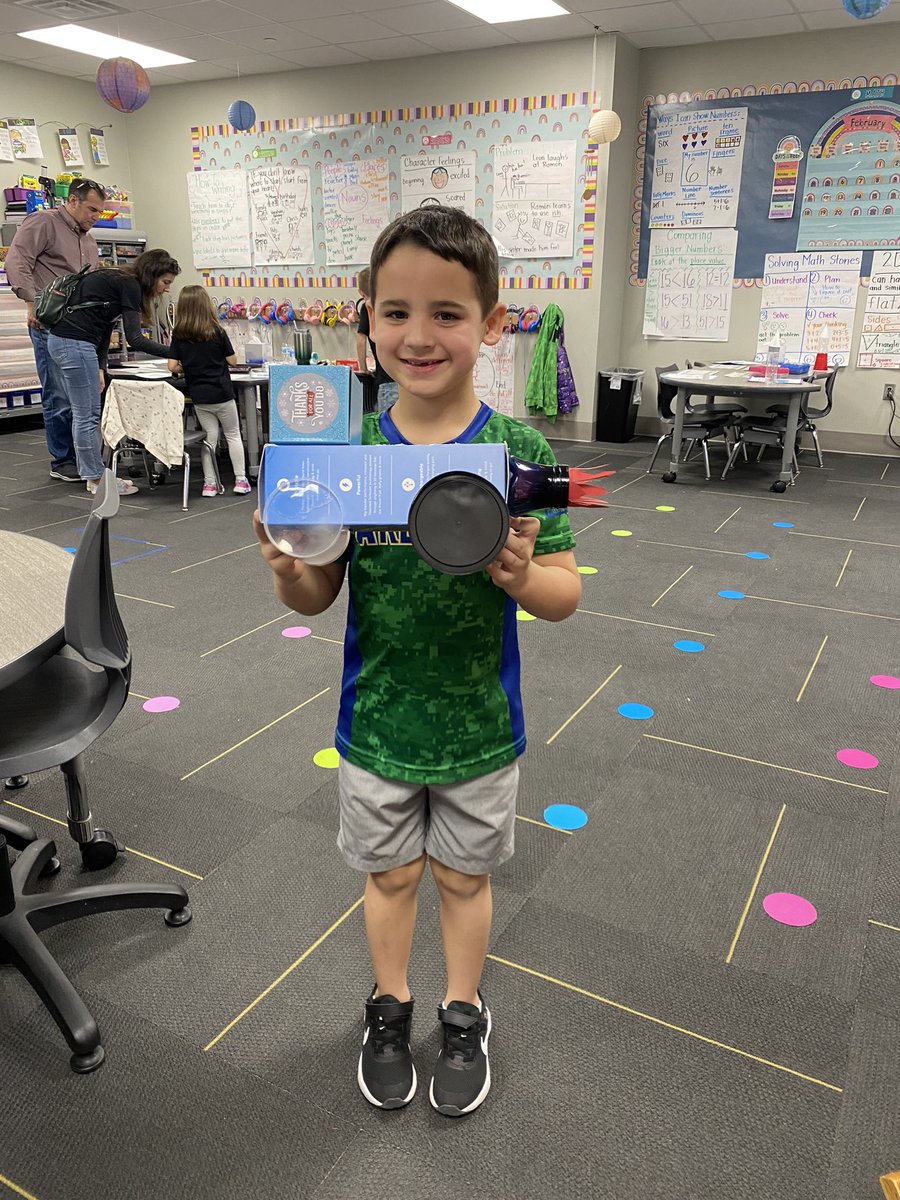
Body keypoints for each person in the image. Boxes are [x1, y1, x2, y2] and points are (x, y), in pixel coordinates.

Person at [254, 206, 580, 1117]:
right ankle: (389, 1005)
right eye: (395, 311)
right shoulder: (343, 451)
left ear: (493, 322)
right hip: (377, 718)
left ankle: (464, 1009)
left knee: (464, 877)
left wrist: (520, 574)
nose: (419, 334)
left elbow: (565, 591)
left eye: (447, 313)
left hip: (480, 721)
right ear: (366, 319)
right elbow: (318, 595)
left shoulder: (520, 454)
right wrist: (288, 569)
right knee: (391, 873)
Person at [47, 248, 179, 496]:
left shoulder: (117, 278)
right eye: (165, 282)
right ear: (152, 275)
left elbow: (103, 327)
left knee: (84, 414)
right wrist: (176, 353)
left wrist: (99, 366)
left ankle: (93, 475)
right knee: (86, 416)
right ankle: (97, 480)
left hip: (68, 343)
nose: (166, 288)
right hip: (74, 344)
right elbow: (136, 339)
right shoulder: (129, 284)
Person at [4, 178, 106, 481]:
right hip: (50, 322)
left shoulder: (88, 239)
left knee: (85, 398)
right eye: (91, 209)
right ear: (72, 201)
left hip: (81, 326)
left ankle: (85, 459)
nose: (95, 217)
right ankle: (63, 461)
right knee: (59, 395)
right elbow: (16, 261)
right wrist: (31, 301)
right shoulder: (43, 223)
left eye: (100, 212)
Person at [167, 286, 251, 497]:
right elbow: (232, 360)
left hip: (200, 397)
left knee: (209, 438)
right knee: (232, 435)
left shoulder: (179, 334)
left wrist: (187, 366)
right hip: (222, 393)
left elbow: (171, 366)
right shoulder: (217, 331)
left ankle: (209, 484)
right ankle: (240, 480)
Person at [355, 267, 398, 412]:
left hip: (386, 381)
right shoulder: (393, 304)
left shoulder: (370, 307)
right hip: (404, 380)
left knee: (388, 429)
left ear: (362, 293)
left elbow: (360, 339)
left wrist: (363, 368)